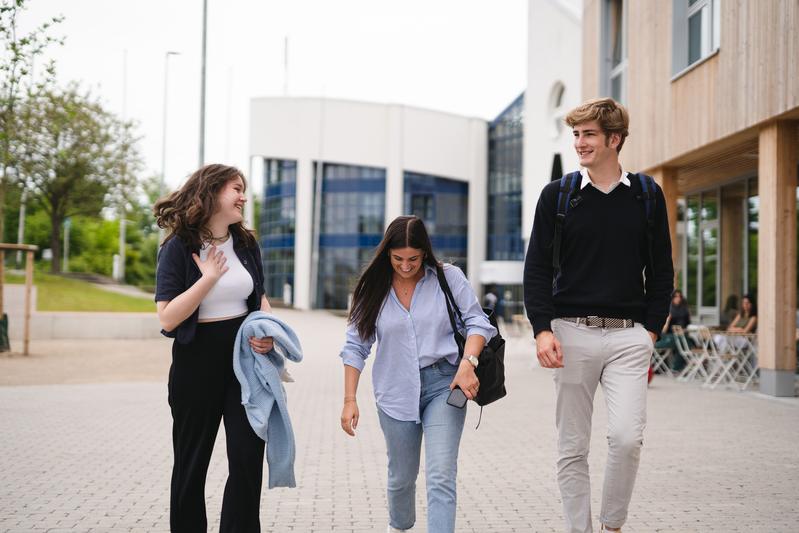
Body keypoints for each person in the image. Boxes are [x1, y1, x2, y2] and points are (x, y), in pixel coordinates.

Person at [523, 98, 674, 533]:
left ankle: (611, 525)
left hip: (629, 338)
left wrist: (650, 332)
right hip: (572, 335)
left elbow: (661, 271)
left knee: (626, 439)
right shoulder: (559, 196)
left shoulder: (646, 195)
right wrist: (542, 330)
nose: (579, 143)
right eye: (575, 134)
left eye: (588, 134)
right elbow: (536, 268)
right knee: (572, 446)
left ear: (615, 139)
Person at [338, 215, 496, 533]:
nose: (406, 265)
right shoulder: (372, 290)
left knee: (440, 475)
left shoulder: (447, 278)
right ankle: (399, 526)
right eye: (398, 258)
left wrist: (469, 362)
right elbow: (355, 347)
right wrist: (349, 399)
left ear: (424, 252)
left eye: (413, 258)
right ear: (387, 254)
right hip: (394, 391)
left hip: (445, 385)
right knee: (401, 478)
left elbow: (478, 322)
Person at [154, 163, 274, 532]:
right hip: (196, 363)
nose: (243, 196)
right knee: (192, 464)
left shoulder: (246, 243)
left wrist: (268, 332)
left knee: (247, 458)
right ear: (211, 192)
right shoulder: (179, 247)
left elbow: (260, 298)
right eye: (236, 189)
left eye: (244, 189)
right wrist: (207, 279)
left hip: (244, 361)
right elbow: (167, 318)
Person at [656, 290, 691, 372]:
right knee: (682, 342)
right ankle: (678, 366)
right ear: (672, 298)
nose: (678, 298)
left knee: (686, 341)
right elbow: (664, 330)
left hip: (682, 335)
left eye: (680, 296)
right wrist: (668, 319)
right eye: (676, 296)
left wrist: (683, 331)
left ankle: (679, 366)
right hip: (668, 335)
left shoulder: (685, 309)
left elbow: (687, 325)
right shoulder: (669, 309)